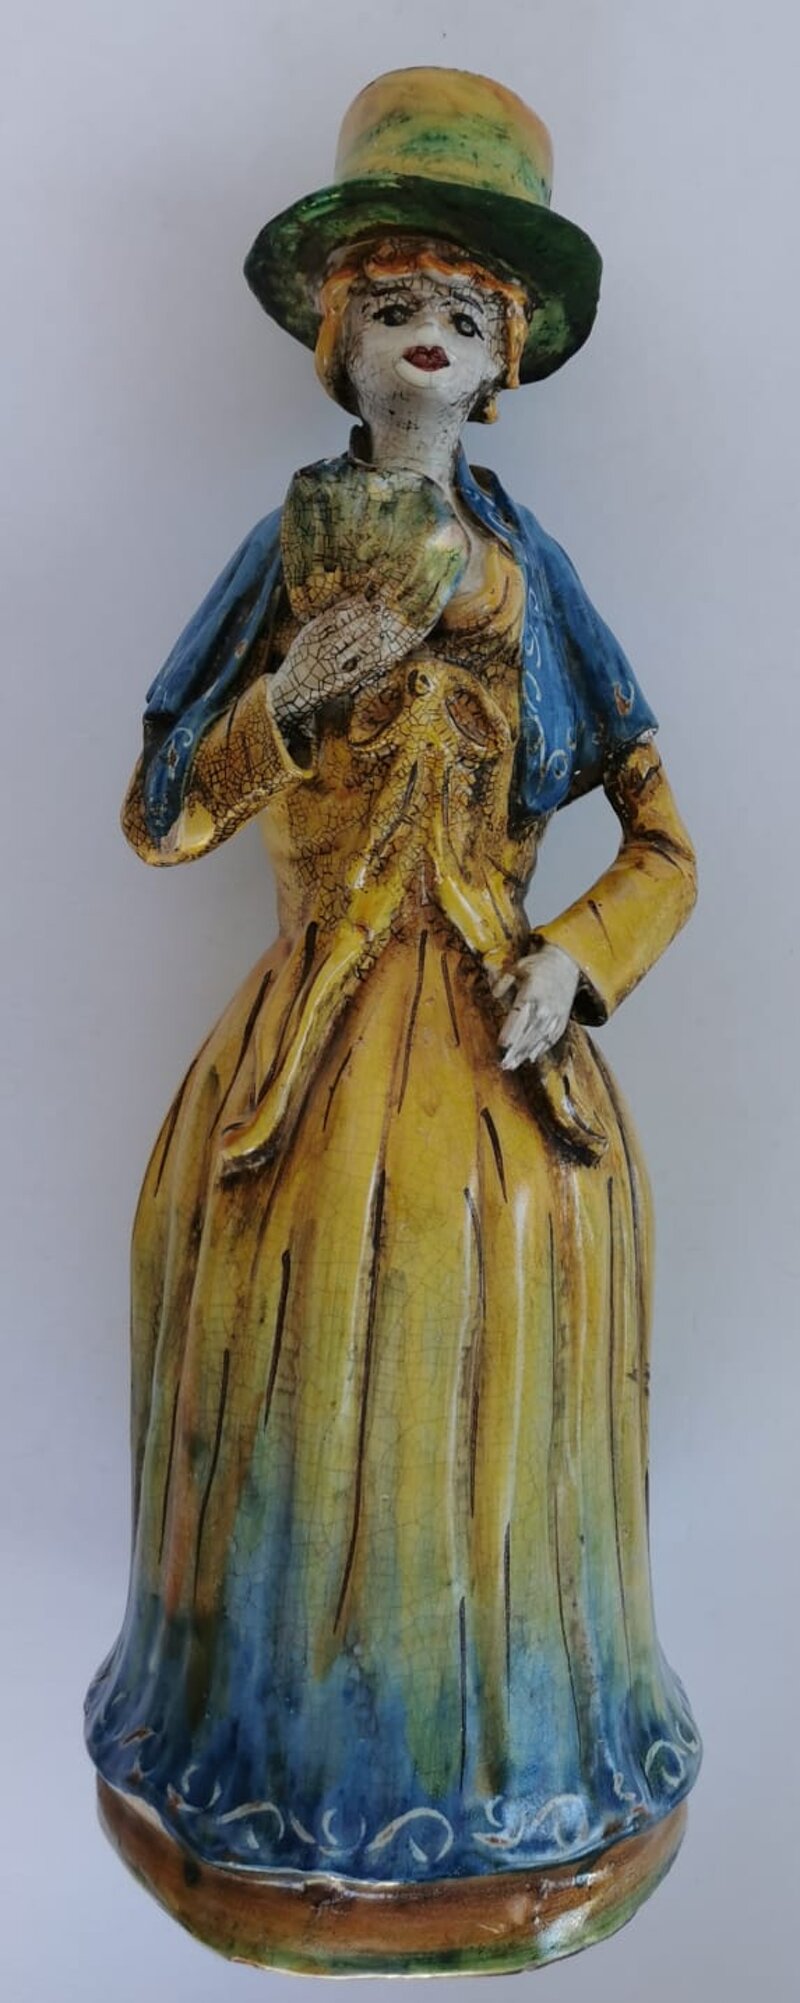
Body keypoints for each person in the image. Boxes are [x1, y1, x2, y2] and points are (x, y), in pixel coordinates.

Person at [85, 68, 701, 1976]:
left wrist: (578, 957)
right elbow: (160, 807)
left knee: (497, 1379)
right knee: (290, 1365)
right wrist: (290, 701)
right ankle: (257, 1789)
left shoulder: (535, 578)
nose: (427, 336)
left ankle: (531, 1789)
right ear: (337, 337)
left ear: (506, 357)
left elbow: (665, 845)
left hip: (503, 1052)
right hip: (306, 1061)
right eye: (393, 303)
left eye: (464, 311)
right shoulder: (285, 554)